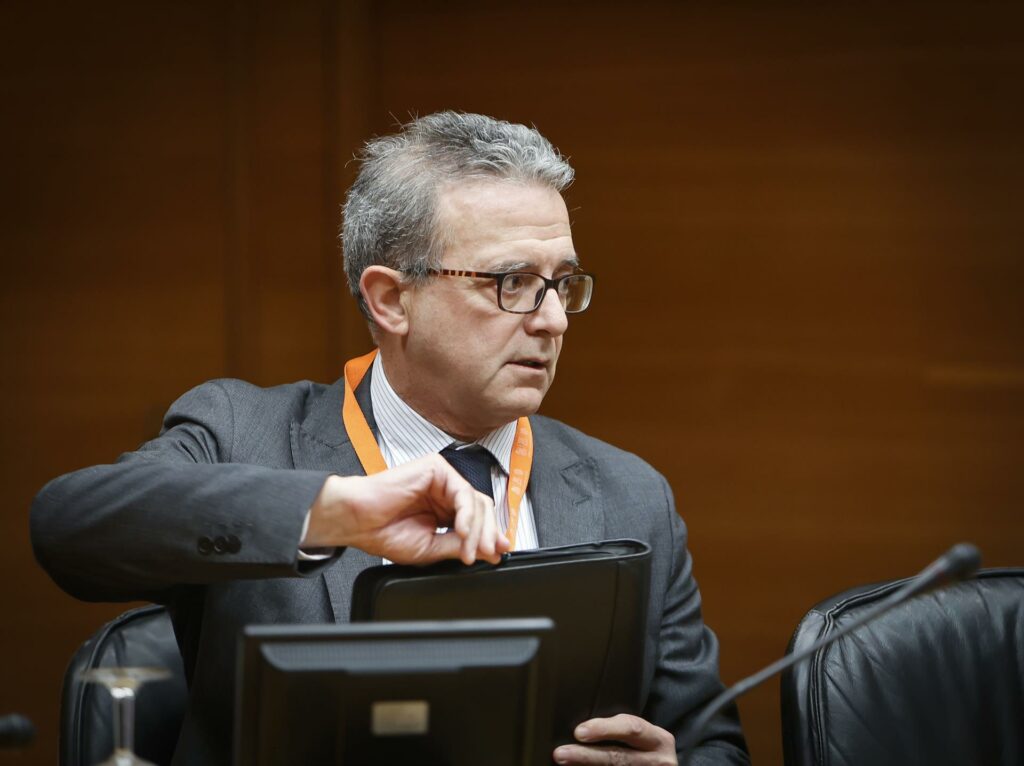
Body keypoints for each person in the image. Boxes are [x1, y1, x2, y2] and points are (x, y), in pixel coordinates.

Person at [32, 112, 749, 765]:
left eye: (561, 284)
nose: (553, 320)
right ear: (390, 299)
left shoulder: (631, 496)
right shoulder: (242, 433)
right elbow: (68, 527)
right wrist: (332, 512)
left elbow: (714, 744)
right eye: (511, 282)